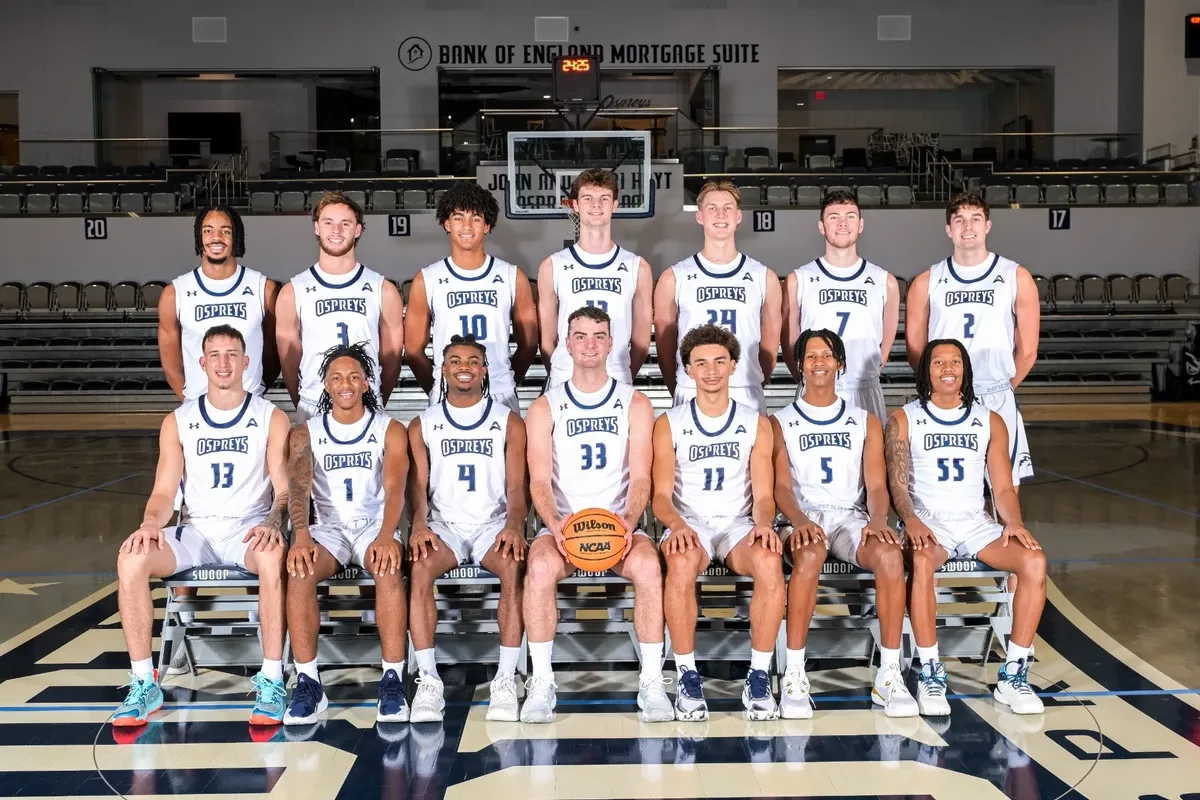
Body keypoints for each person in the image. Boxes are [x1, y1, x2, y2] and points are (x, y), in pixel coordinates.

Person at [113, 325, 290, 726]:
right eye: (215, 355)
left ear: (247, 362)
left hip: (247, 528)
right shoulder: (179, 421)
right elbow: (163, 493)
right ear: (202, 362)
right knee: (131, 558)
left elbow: (284, 491)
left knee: (272, 556)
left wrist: (272, 522)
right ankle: (144, 682)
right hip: (196, 530)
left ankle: (272, 679)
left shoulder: (270, 417)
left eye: (232, 354)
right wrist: (148, 524)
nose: (224, 363)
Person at [521, 305, 669, 723]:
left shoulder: (636, 403)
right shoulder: (545, 408)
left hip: (620, 525)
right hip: (564, 526)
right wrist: (555, 526)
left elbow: (641, 478)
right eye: (581, 335)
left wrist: (627, 522)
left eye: (599, 335)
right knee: (539, 568)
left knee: (648, 567)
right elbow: (539, 482)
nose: (590, 343)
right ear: (566, 343)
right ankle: (542, 683)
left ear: (611, 343)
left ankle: (653, 681)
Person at [884, 339, 1047, 716]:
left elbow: (1002, 486)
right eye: (938, 361)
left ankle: (1014, 673)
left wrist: (1015, 523)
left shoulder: (989, 419)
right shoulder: (904, 419)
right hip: (930, 520)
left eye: (955, 361)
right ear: (926, 370)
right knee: (923, 562)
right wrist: (910, 519)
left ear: (965, 369)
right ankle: (930, 671)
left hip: (976, 522)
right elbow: (897, 483)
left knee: (1034, 561)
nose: (947, 367)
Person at [771, 329, 917, 719]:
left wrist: (879, 520)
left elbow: (876, 484)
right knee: (809, 554)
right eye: (811, 356)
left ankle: (889, 674)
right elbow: (781, 487)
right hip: (801, 516)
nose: (819, 363)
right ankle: (795, 675)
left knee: (889, 556)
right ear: (799, 365)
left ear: (840, 364)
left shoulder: (865, 421)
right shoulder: (779, 422)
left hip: (850, 517)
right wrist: (800, 521)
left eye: (827, 355)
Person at [654, 324, 783, 722]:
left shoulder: (756, 422)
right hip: (688, 522)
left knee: (769, 561)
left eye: (719, 362)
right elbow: (659, 496)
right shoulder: (669, 422)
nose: (711, 371)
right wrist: (676, 525)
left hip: (737, 524)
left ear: (732, 366)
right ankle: (687, 675)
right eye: (701, 363)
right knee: (679, 565)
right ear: (688, 370)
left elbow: (763, 495)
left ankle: (758, 675)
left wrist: (763, 524)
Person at [282, 343, 410, 725]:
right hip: (328, 529)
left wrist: (388, 534)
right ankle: (308, 683)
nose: (346, 384)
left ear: (368, 383)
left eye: (354, 376)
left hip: (374, 524)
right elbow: (299, 488)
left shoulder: (390, 429)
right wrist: (300, 536)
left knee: (387, 568)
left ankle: (393, 679)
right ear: (325, 386)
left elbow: (396, 487)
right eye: (337, 378)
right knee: (299, 570)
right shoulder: (305, 433)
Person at [406, 335, 529, 722]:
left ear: (485, 369)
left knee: (513, 565)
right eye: (455, 359)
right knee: (420, 566)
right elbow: (416, 487)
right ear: (442, 370)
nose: (464, 366)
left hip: (492, 524)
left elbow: (516, 487)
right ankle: (428, 680)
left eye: (473, 360)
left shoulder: (508, 421)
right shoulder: (422, 423)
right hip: (445, 525)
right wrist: (420, 525)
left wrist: (513, 524)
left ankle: (506, 678)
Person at [904, 191, 1039, 488]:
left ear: (987, 226)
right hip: (944, 397)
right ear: (948, 229)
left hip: (996, 394)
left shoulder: (1016, 275)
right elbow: (916, 349)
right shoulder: (927, 281)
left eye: (975, 219)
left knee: (1005, 487)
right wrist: (945, 388)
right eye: (959, 220)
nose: (968, 227)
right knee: (943, 487)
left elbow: (1028, 350)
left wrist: (1002, 388)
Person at [404, 182, 538, 412]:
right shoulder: (427, 279)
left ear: (487, 225)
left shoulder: (512, 276)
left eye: (476, 218)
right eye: (458, 217)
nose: (467, 226)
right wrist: (441, 386)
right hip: (447, 393)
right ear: (446, 223)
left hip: (498, 392)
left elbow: (528, 345)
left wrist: (503, 381)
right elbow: (414, 350)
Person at [654, 180, 781, 414]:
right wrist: (682, 385)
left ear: (739, 216)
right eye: (712, 208)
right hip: (692, 389)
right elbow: (664, 346)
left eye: (728, 207)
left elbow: (770, 346)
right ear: (700, 216)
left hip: (745, 391)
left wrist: (750, 380)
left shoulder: (764, 277)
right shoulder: (674, 277)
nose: (720, 214)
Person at [276, 192, 404, 420]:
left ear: (357, 230)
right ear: (317, 228)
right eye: (328, 223)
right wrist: (307, 401)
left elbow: (392, 358)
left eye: (345, 224)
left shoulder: (383, 289)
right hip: (313, 405)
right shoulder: (293, 291)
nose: (336, 231)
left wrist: (372, 395)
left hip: (367, 404)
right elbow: (288, 362)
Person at [784, 189, 899, 423]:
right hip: (816, 384)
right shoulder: (799, 279)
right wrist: (807, 375)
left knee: (870, 458)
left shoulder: (884, 281)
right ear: (821, 226)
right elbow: (790, 343)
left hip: (864, 386)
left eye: (850, 216)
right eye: (833, 217)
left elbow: (884, 350)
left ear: (861, 224)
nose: (842, 223)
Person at [536, 169, 653, 389]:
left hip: (616, 378)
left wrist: (620, 372)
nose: (596, 205)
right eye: (588, 198)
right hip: (565, 380)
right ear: (575, 205)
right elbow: (547, 342)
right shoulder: (553, 266)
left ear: (615, 205)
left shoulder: (638, 267)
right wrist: (564, 369)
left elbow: (641, 343)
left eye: (604, 199)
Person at [158, 206, 279, 401]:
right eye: (208, 230)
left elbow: (274, 355)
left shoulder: (264, 289)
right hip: (197, 408)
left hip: (250, 408)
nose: (216, 237)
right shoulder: (174, 294)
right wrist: (193, 403)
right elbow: (171, 365)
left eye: (226, 231)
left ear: (236, 236)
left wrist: (255, 390)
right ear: (199, 237)